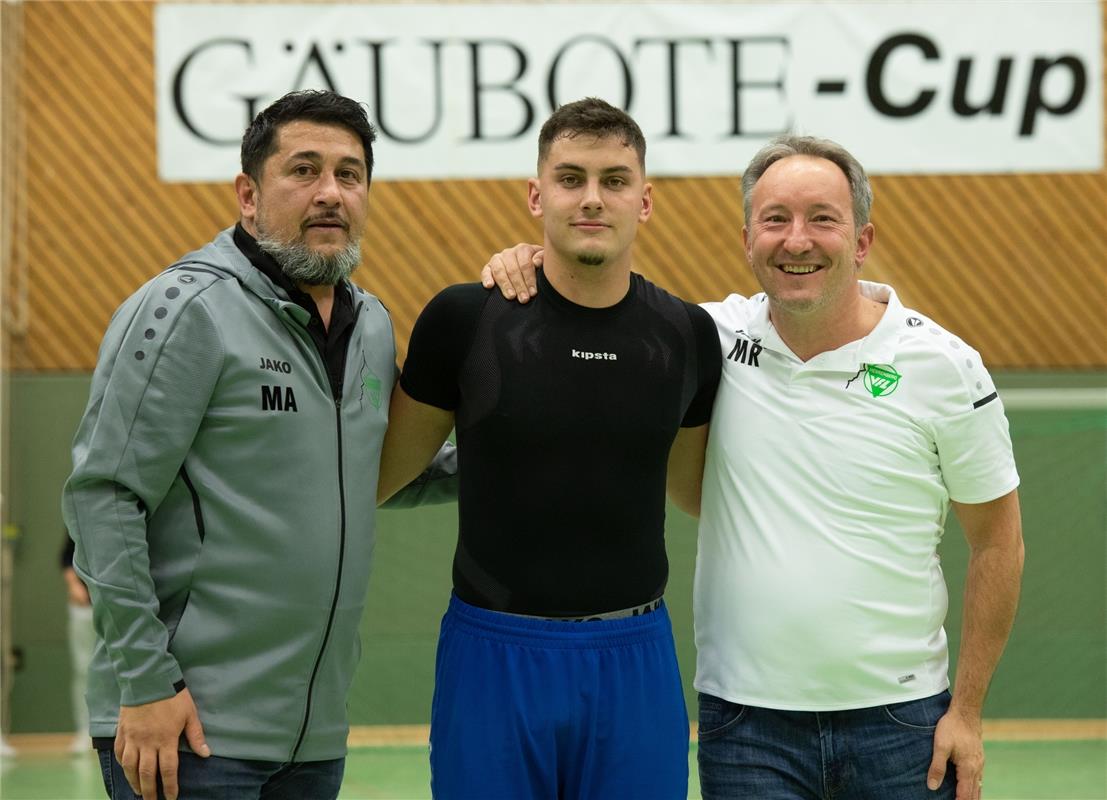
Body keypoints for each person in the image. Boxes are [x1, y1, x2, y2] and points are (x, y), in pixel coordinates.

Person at [483, 134, 1024, 800]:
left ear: (860, 240)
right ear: (747, 239)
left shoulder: (943, 366)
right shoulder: (700, 337)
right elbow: (597, 302)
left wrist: (966, 713)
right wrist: (532, 257)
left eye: (821, 218)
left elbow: (998, 543)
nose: (796, 240)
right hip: (744, 727)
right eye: (775, 220)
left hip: (902, 723)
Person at [61, 90, 456, 800]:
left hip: (312, 739)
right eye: (303, 170)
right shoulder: (185, 310)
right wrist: (148, 682)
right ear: (248, 193)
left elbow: (384, 471)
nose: (330, 193)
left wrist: (532, 448)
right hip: (187, 728)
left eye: (349, 173)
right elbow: (102, 497)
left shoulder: (370, 326)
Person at [376, 98, 722, 799]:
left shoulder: (687, 336)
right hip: (491, 656)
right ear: (536, 195)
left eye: (614, 180)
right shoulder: (463, 319)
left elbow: (692, 495)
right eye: (570, 178)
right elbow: (381, 475)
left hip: (635, 659)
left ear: (644, 201)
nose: (591, 198)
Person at [60, 535, 95, 755]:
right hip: (83, 608)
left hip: (112, 607)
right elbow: (65, 557)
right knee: (83, 669)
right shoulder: (78, 511)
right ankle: (84, 731)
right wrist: (74, 584)